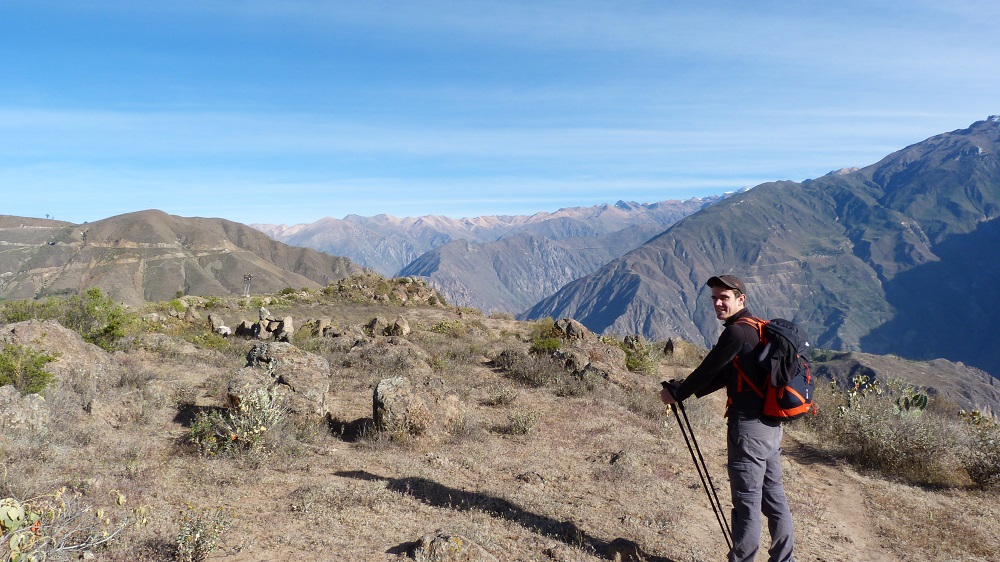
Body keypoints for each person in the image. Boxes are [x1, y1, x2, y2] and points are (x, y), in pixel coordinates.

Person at [659, 274, 795, 562]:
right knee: (774, 498)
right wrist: (685, 389)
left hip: (748, 429)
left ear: (740, 299)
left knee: (746, 502)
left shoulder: (735, 333)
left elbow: (708, 369)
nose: (718, 303)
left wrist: (678, 394)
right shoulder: (756, 328)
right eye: (714, 298)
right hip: (770, 427)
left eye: (724, 297)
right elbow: (726, 375)